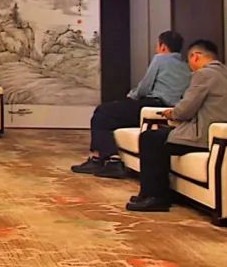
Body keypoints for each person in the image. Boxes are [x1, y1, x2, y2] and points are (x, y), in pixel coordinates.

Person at [127, 39, 227, 212]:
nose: (190, 66)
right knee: (159, 137)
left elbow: (185, 110)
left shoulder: (204, 74)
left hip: (203, 136)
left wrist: (171, 113)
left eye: (189, 60)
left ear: (196, 56)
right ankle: (152, 193)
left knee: (150, 138)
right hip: (225, 137)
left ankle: (155, 196)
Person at [72, 30, 191, 178]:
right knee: (107, 117)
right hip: (169, 110)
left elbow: (145, 87)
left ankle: (103, 160)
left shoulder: (161, 59)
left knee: (102, 111)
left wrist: (131, 95)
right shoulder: (187, 66)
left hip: (153, 105)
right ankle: (106, 159)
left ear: (163, 46)